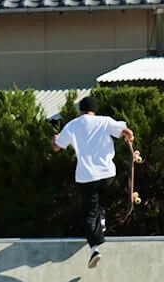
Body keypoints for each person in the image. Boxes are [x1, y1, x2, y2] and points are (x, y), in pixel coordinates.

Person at [52, 95, 134, 269]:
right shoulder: (105, 121)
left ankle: (94, 250)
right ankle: (102, 222)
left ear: (80, 110)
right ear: (94, 110)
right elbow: (125, 131)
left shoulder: (73, 125)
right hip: (107, 173)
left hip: (87, 176)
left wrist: (55, 139)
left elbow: (57, 147)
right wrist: (129, 136)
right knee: (100, 202)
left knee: (90, 213)